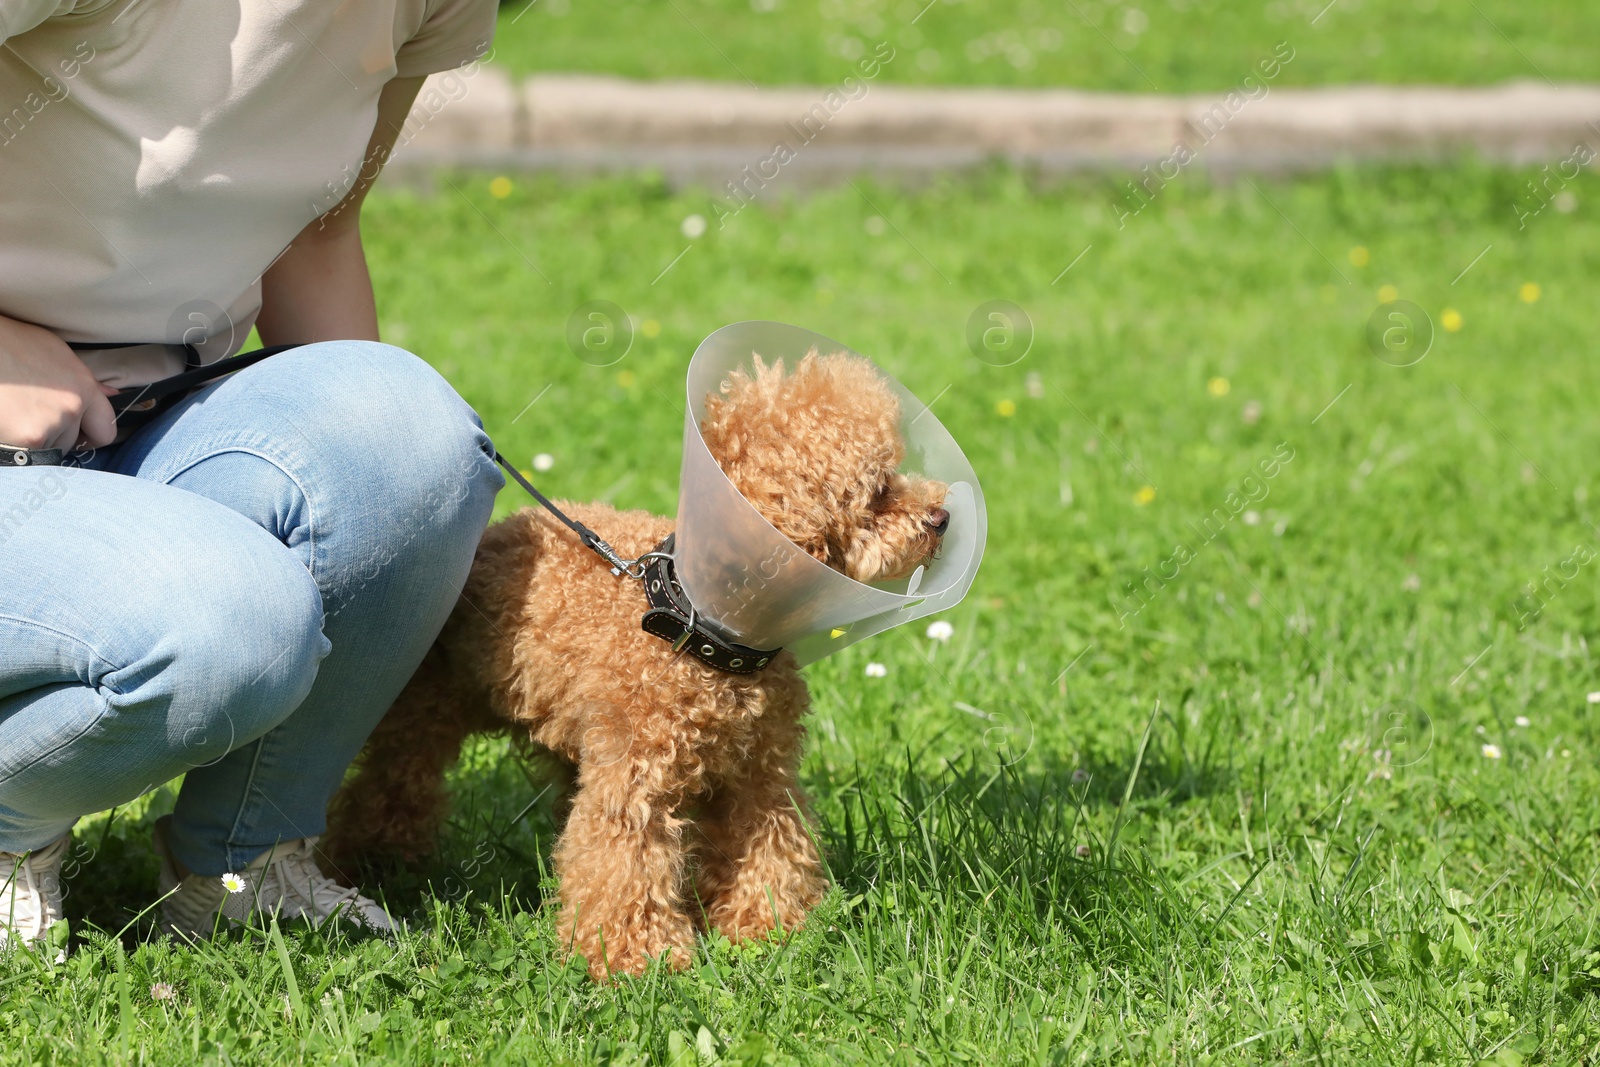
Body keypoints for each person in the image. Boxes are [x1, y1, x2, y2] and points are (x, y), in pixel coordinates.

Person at [0, 0, 504, 944]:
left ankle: (238, 864)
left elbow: (314, 235)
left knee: (418, 439)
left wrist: (396, 529)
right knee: (232, 622)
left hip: (141, 419)